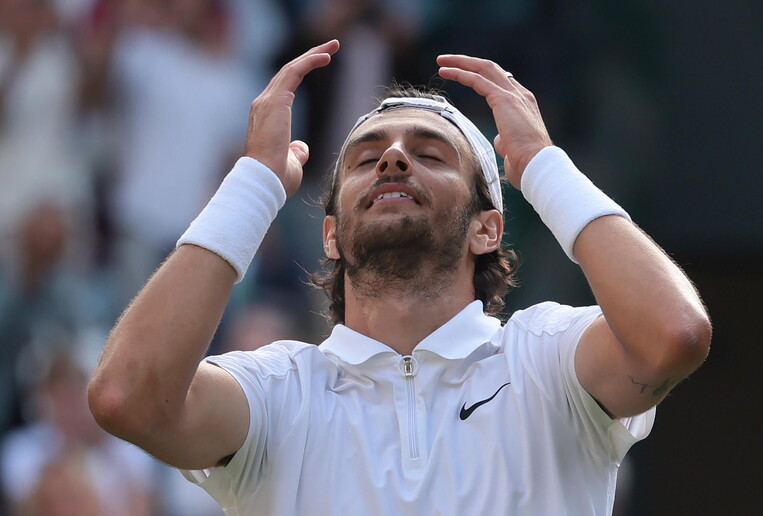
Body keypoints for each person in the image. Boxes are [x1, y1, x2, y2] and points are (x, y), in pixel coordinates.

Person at [88, 40, 712, 515]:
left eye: (430, 154)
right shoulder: (276, 390)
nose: (393, 158)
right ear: (330, 236)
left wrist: (543, 167)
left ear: (487, 229)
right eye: (367, 158)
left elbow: (673, 333)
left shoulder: (546, 357)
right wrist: (251, 185)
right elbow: (127, 399)